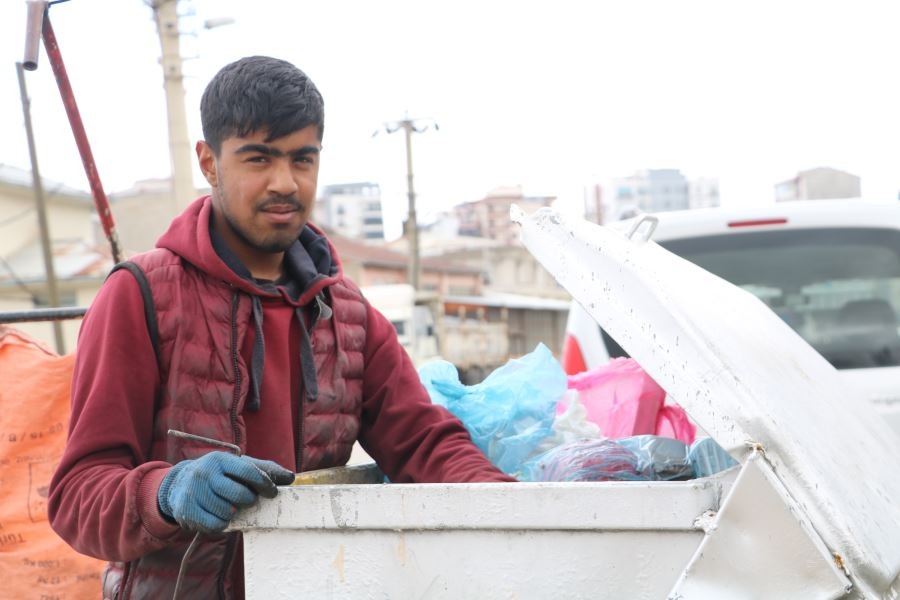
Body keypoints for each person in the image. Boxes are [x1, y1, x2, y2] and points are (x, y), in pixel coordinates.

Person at [49, 56, 515, 599]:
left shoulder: (348, 314)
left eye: (302, 159)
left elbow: (426, 446)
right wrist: (166, 491)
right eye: (258, 158)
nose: (284, 183)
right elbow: (77, 496)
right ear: (209, 162)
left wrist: (520, 510)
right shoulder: (142, 295)